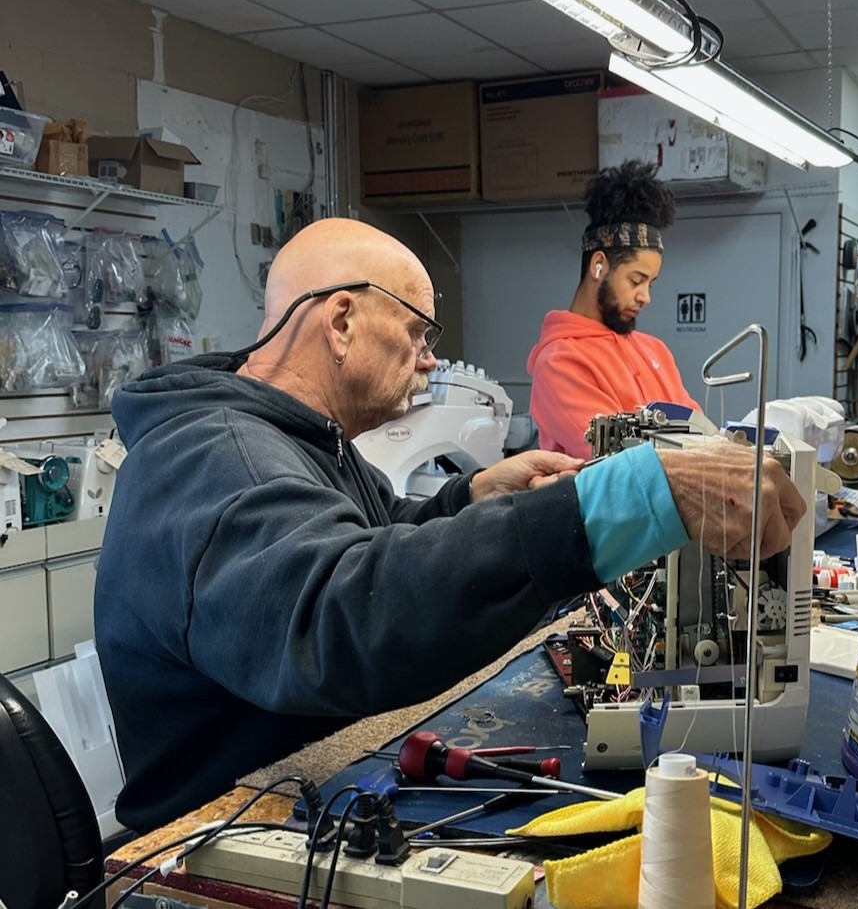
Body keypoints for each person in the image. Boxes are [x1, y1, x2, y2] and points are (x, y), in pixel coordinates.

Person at [94, 217, 805, 833]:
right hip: (215, 837)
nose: (430, 359)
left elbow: (368, 535)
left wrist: (474, 499)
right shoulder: (216, 455)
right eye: (416, 332)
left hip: (310, 781)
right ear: (341, 321)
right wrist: (617, 500)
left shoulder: (299, 439)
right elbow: (338, 617)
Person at [527, 159, 702, 459]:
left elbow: (700, 432)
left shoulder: (655, 351)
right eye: (636, 280)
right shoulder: (559, 362)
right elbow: (623, 459)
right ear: (598, 266)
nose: (645, 297)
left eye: (651, 283)